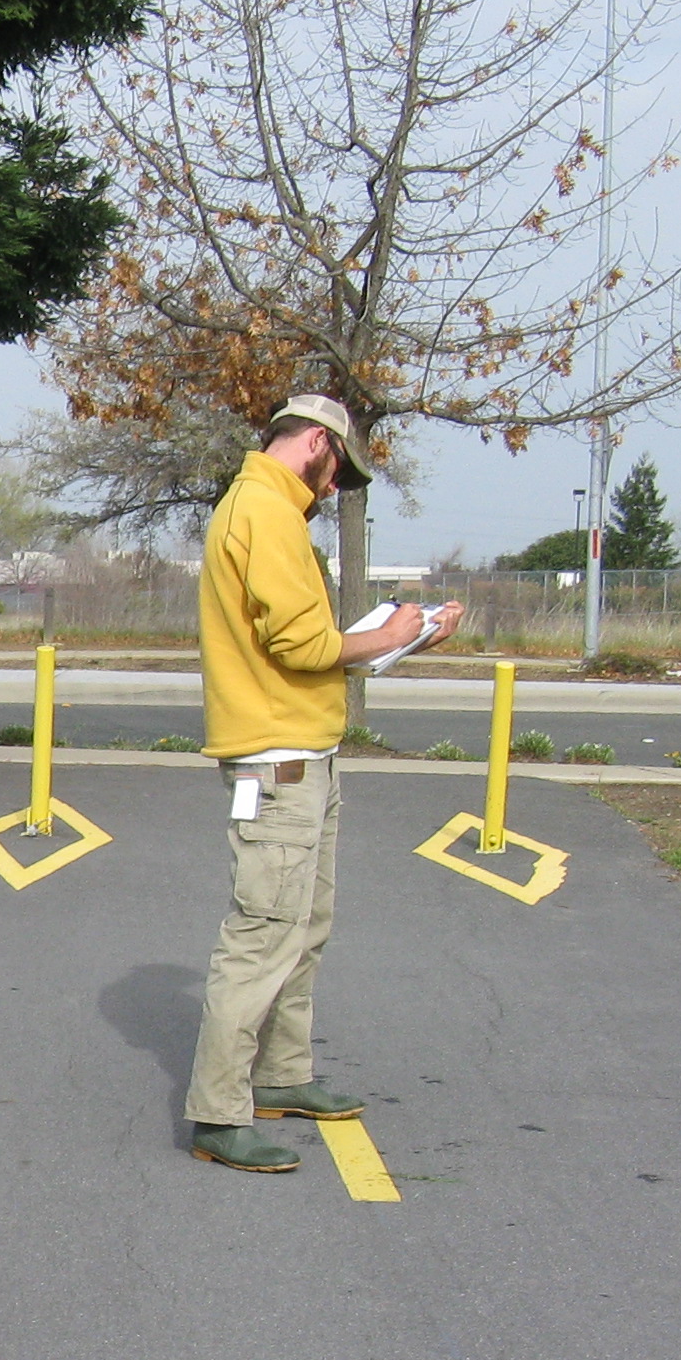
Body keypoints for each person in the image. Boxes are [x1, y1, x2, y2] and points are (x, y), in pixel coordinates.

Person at [185, 394, 462, 1173]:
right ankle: (218, 1113)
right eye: (338, 467)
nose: (335, 485)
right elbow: (303, 644)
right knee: (263, 935)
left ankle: (281, 1073)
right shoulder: (264, 512)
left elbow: (307, 648)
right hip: (278, 761)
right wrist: (392, 633)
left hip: (301, 751)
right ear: (314, 441)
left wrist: (405, 640)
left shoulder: (268, 510)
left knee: (302, 925)